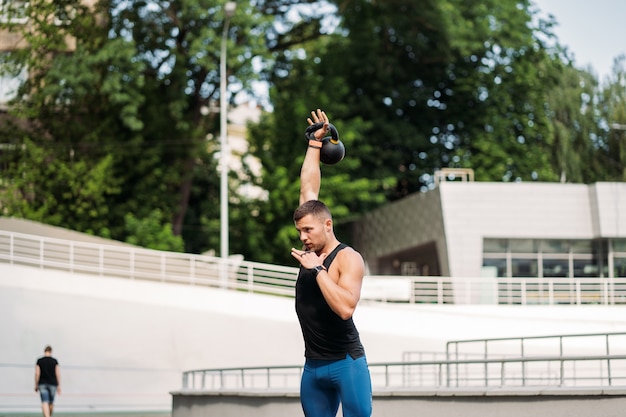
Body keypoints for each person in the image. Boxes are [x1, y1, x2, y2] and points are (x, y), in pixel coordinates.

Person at [290, 109, 372, 417]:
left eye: (308, 230)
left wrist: (318, 270)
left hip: (346, 365)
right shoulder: (310, 239)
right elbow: (308, 189)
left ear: (327, 225)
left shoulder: (348, 258)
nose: (303, 236)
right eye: (299, 231)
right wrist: (314, 145)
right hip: (313, 368)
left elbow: (345, 308)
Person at [35, 345, 61, 417]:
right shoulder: (54, 361)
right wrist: (59, 386)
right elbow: (57, 374)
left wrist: (36, 384)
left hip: (42, 383)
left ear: (44, 351)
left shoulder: (39, 361)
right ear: (51, 352)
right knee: (50, 403)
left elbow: (37, 374)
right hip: (53, 384)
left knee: (44, 402)